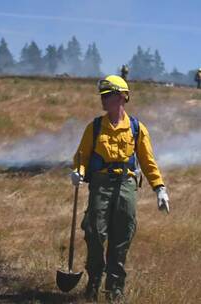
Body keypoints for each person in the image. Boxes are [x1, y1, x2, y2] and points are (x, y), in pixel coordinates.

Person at [70, 75, 170, 301]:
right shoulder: (95, 127)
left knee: (122, 234)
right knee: (94, 232)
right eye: (102, 96)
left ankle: (115, 288)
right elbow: (82, 157)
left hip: (126, 184)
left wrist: (159, 188)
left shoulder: (137, 128)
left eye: (107, 96)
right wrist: (79, 172)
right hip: (101, 184)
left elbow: (147, 161)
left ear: (121, 97)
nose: (103, 100)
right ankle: (94, 281)